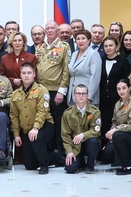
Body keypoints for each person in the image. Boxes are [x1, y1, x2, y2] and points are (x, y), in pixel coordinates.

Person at [10, 62, 55, 175]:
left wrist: (36, 128)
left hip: (45, 125)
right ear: (20, 75)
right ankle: (55, 157)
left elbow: (42, 111)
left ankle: (44, 165)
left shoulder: (42, 90)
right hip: (27, 130)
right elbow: (14, 116)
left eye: (29, 73)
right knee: (29, 165)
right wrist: (16, 135)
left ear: (34, 74)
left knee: (36, 138)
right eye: (24, 73)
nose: (26, 75)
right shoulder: (15, 94)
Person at [37, 21, 71, 162]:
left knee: (58, 123)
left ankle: (60, 153)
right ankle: (49, 153)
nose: (50, 30)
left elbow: (66, 70)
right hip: (42, 91)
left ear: (57, 31)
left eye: (52, 28)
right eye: (47, 28)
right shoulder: (41, 47)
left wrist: (61, 92)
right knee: (46, 123)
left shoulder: (63, 46)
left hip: (56, 91)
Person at [61, 84, 102, 174]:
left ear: (87, 95)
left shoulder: (95, 111)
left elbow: (96, 131)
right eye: (78, 93)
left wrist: (83, 135)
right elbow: (65, 135)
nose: (81, 96)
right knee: (70, 169)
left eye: (83, 93)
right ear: (74, 95)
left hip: (89, 144)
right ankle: (81, 163)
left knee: (94, 141)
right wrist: (69, 151)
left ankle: (90, 166)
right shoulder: (67, 113)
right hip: (75, 146)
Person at [99, 35, 131, 138]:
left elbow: (127, 79)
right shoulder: (101, 60)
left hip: (117, 99)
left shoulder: (123, 60)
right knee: (104, 123)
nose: (108, 48)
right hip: (103, 99)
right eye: (106, 46)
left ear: (116, 46)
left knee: (117, 123)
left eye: (111, 45)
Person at [67, 28, 101, 105]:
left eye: (83, 38)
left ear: (89, 40)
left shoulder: (93, 54)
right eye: (78, 39)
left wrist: (89, 97)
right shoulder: (74, 54)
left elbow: (95, 77)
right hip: (73, 95)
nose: (80, 41)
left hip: (87, 97)